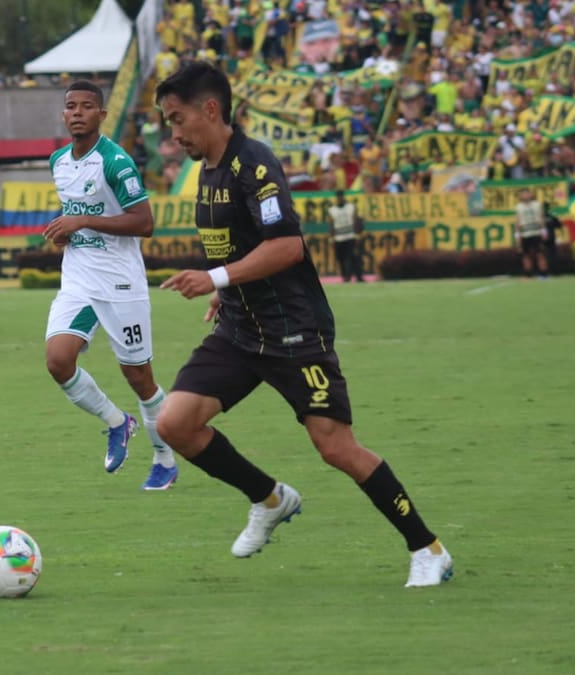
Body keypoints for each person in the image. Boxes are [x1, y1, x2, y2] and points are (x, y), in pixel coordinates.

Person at [153, 62, 451, 587]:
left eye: (177, 120)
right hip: (241, 330)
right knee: (175, 423)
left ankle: (428, 548)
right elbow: (241, 245)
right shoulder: (208, 170)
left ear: (211, 109)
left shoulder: (256, 165)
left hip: (294, 332)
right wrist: (227, 294)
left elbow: (288, 246)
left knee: (336, 447)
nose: (173, 135)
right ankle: (270, 499)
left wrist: (216, 277)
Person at [42, 80, 180, 491]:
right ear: (64, 114)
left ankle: (164, 457)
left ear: (101, 115)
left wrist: (82, 221)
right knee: (58, 361)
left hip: (121, 284)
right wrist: (67, 231)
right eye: (71, 106)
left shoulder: (116, 162)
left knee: (139, 377)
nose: (78, 112)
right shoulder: (59, 161)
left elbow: (144, 223)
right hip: (79, 280)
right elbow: (77, 211)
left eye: (87, 106)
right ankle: (117, 422)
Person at [327, 190, 364, 283]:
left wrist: (357, 235)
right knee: (341, 259)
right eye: (338, 197)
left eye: (341, 197)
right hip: (339, 238)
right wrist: (331, 239)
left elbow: (355, 221)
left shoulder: (351, 207)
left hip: (350, 236)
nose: (339, 199)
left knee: (350, 258)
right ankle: (345, 276)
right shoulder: (332, 210)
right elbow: (331, 225)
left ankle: (352, 276)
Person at [514, 188, 548, 279]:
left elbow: (541, 218)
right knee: (525, 255)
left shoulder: (537, 205)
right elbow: (517, 221)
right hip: (525, 233)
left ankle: (543, 274)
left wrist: (544, 231)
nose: (525, 195)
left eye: (526, 193)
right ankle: (528, 274)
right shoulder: (518, 207)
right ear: (520, 196)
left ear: (530, 195)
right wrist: (517, 235)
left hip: (536, 232)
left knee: (540, 254)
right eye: (523, 194)